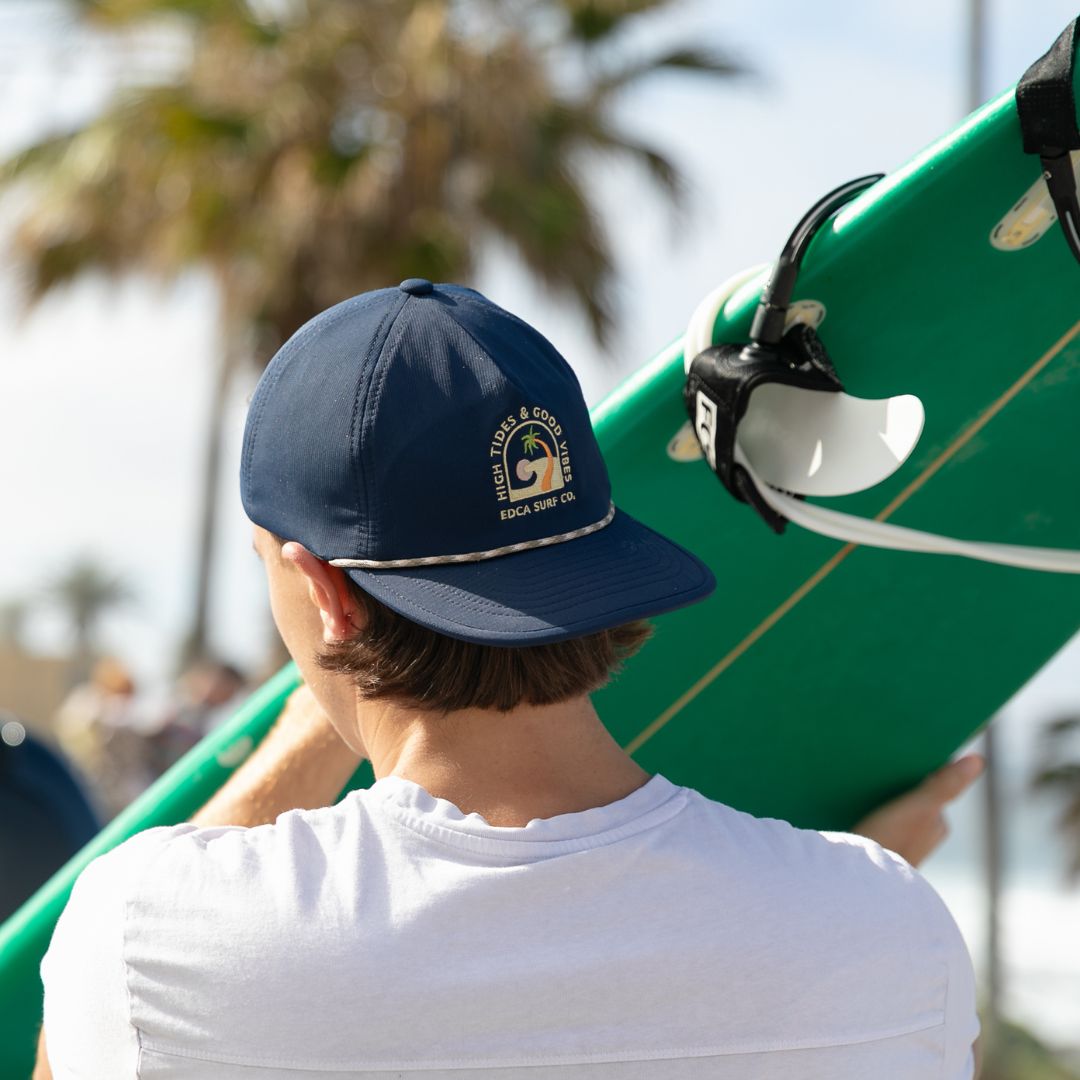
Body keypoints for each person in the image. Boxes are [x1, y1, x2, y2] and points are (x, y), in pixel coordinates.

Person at [35, 281, 985, 1079]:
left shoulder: (147, 936)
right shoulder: (886, 930)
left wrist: (315, 722)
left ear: (323, 593)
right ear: (597, 562)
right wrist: (834, 902)